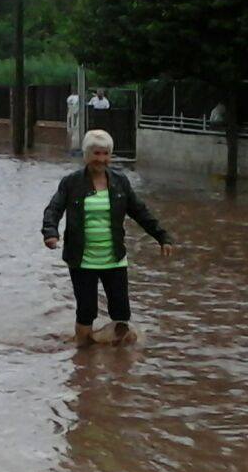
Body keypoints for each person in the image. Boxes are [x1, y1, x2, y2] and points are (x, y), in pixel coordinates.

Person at [41, 129, 172, 345]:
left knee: (121, 312)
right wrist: (50, 232)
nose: (100, 159)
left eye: (105, 154)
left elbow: (140, 212)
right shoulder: (71, 183)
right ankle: (82, 361)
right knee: (86, 311)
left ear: (110, 155)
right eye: (96, 154)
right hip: (82, 260)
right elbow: (53, 209)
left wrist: (162, 236)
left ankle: (118, 368)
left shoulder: (120, 182)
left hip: (115, 259)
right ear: (86, 155)